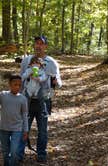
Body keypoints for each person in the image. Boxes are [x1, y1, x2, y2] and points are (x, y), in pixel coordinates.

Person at [18, 35, 62, 163]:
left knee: (42, 130)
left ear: (45, 46)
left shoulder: (51, 62)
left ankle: (41, 154)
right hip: (27, 99)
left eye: (41, 44)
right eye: (36, 43)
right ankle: (19, 154)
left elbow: (59, 82)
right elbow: (21, 78)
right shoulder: (27, 61)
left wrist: (55, 81)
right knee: (23, 127)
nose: (38, 46)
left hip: (44, 100)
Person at [0, 74, 28, 166]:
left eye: (19, 85)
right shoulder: (3, 95)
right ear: (9, 84)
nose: (17, 87)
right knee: (5, 151)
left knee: (14, 150)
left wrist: (25, 130)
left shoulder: (22, 99)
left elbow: (24, 115)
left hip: (17, 128)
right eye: (15, 84)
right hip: (4, 127)